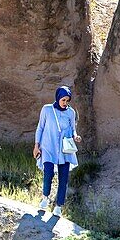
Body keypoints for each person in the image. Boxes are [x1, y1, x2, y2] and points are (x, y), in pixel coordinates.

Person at [33, 86, 81, 217]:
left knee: (63, 178)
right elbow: (40, 128)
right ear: (58, 97)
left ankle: (59, 206)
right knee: (48, 173)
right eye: (63, 99)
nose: (65, 103)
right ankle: (45, 198)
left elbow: (73, 128)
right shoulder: (47, 109)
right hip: (48, 147)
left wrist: (75, 136)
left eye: (67, 100)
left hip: (64, 149)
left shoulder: (71, 112)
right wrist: (36, 145)